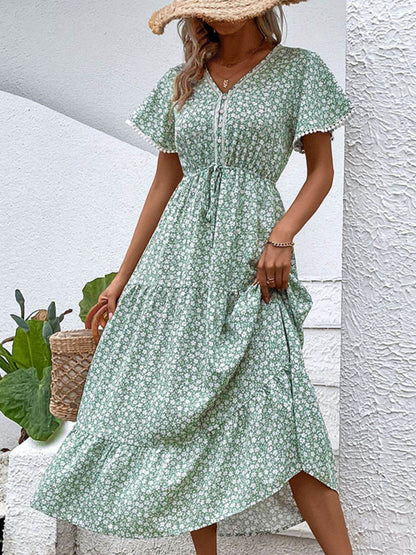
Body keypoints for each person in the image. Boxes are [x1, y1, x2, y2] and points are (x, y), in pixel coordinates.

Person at [31, 1, 354, 554]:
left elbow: (321, 171)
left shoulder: (300, 70)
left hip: (253, 265)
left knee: (291, 417)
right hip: (176, 267)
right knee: (185, 413)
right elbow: (164, 185)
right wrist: (122, 279)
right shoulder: (180, 82)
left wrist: (282, 236)